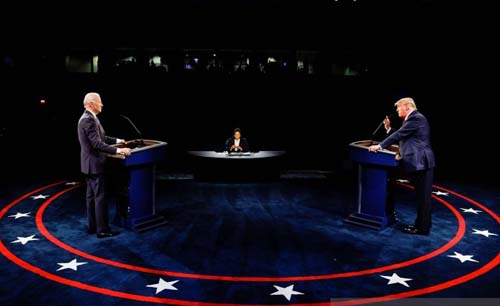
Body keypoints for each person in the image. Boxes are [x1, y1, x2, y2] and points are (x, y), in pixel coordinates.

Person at [368, 97, 435, 235]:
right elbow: (404, 135)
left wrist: (380, 146)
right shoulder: (413, 120)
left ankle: (422, 228)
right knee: (422, 198)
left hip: (421, 163)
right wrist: (388, 129)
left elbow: (400, 134)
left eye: (399, 107)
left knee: (424, 198)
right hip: (420, 163)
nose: (397, 110)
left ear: (407, 106)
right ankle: (421, 226)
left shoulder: (416, 118)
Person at [77, 92, 132, 238]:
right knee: (100, 197)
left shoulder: (90, 118)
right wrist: (120, 150)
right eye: (99, 102)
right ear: (91, 104)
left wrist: (118, 140)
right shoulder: (89, 120)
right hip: (95, 165)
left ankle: (93, 226)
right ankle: (102, 230)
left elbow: (102, 138)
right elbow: (97, 144)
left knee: (91, 197)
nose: (102, 104)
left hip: (89, 165)